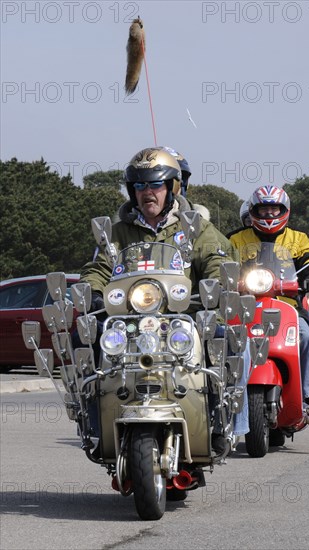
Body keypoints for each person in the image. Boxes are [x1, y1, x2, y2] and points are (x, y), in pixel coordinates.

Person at [79, 146, 243, 452]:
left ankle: (222, 423)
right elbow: (98, 268)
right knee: (86, 338)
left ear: (172, 187)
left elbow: (217, 261)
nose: (147, 193)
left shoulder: (195, 227)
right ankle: (93, 426)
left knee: (226, 340)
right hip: (128, 319)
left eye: (155, 184)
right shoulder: (117, 233)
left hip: (185, 317)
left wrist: (215, 288)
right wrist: (94, 294)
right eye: (139, 186)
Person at [229, 185, 309, 432]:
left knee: (307, 338)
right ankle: (220, 403)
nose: (269, 215)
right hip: (245, 307)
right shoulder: (235, 239)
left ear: (284, 210)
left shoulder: (298, 239)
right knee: (224, 342)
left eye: (274, 209)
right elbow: (223, 264)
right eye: (263, 209)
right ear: (253, 211)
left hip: (286, 306)